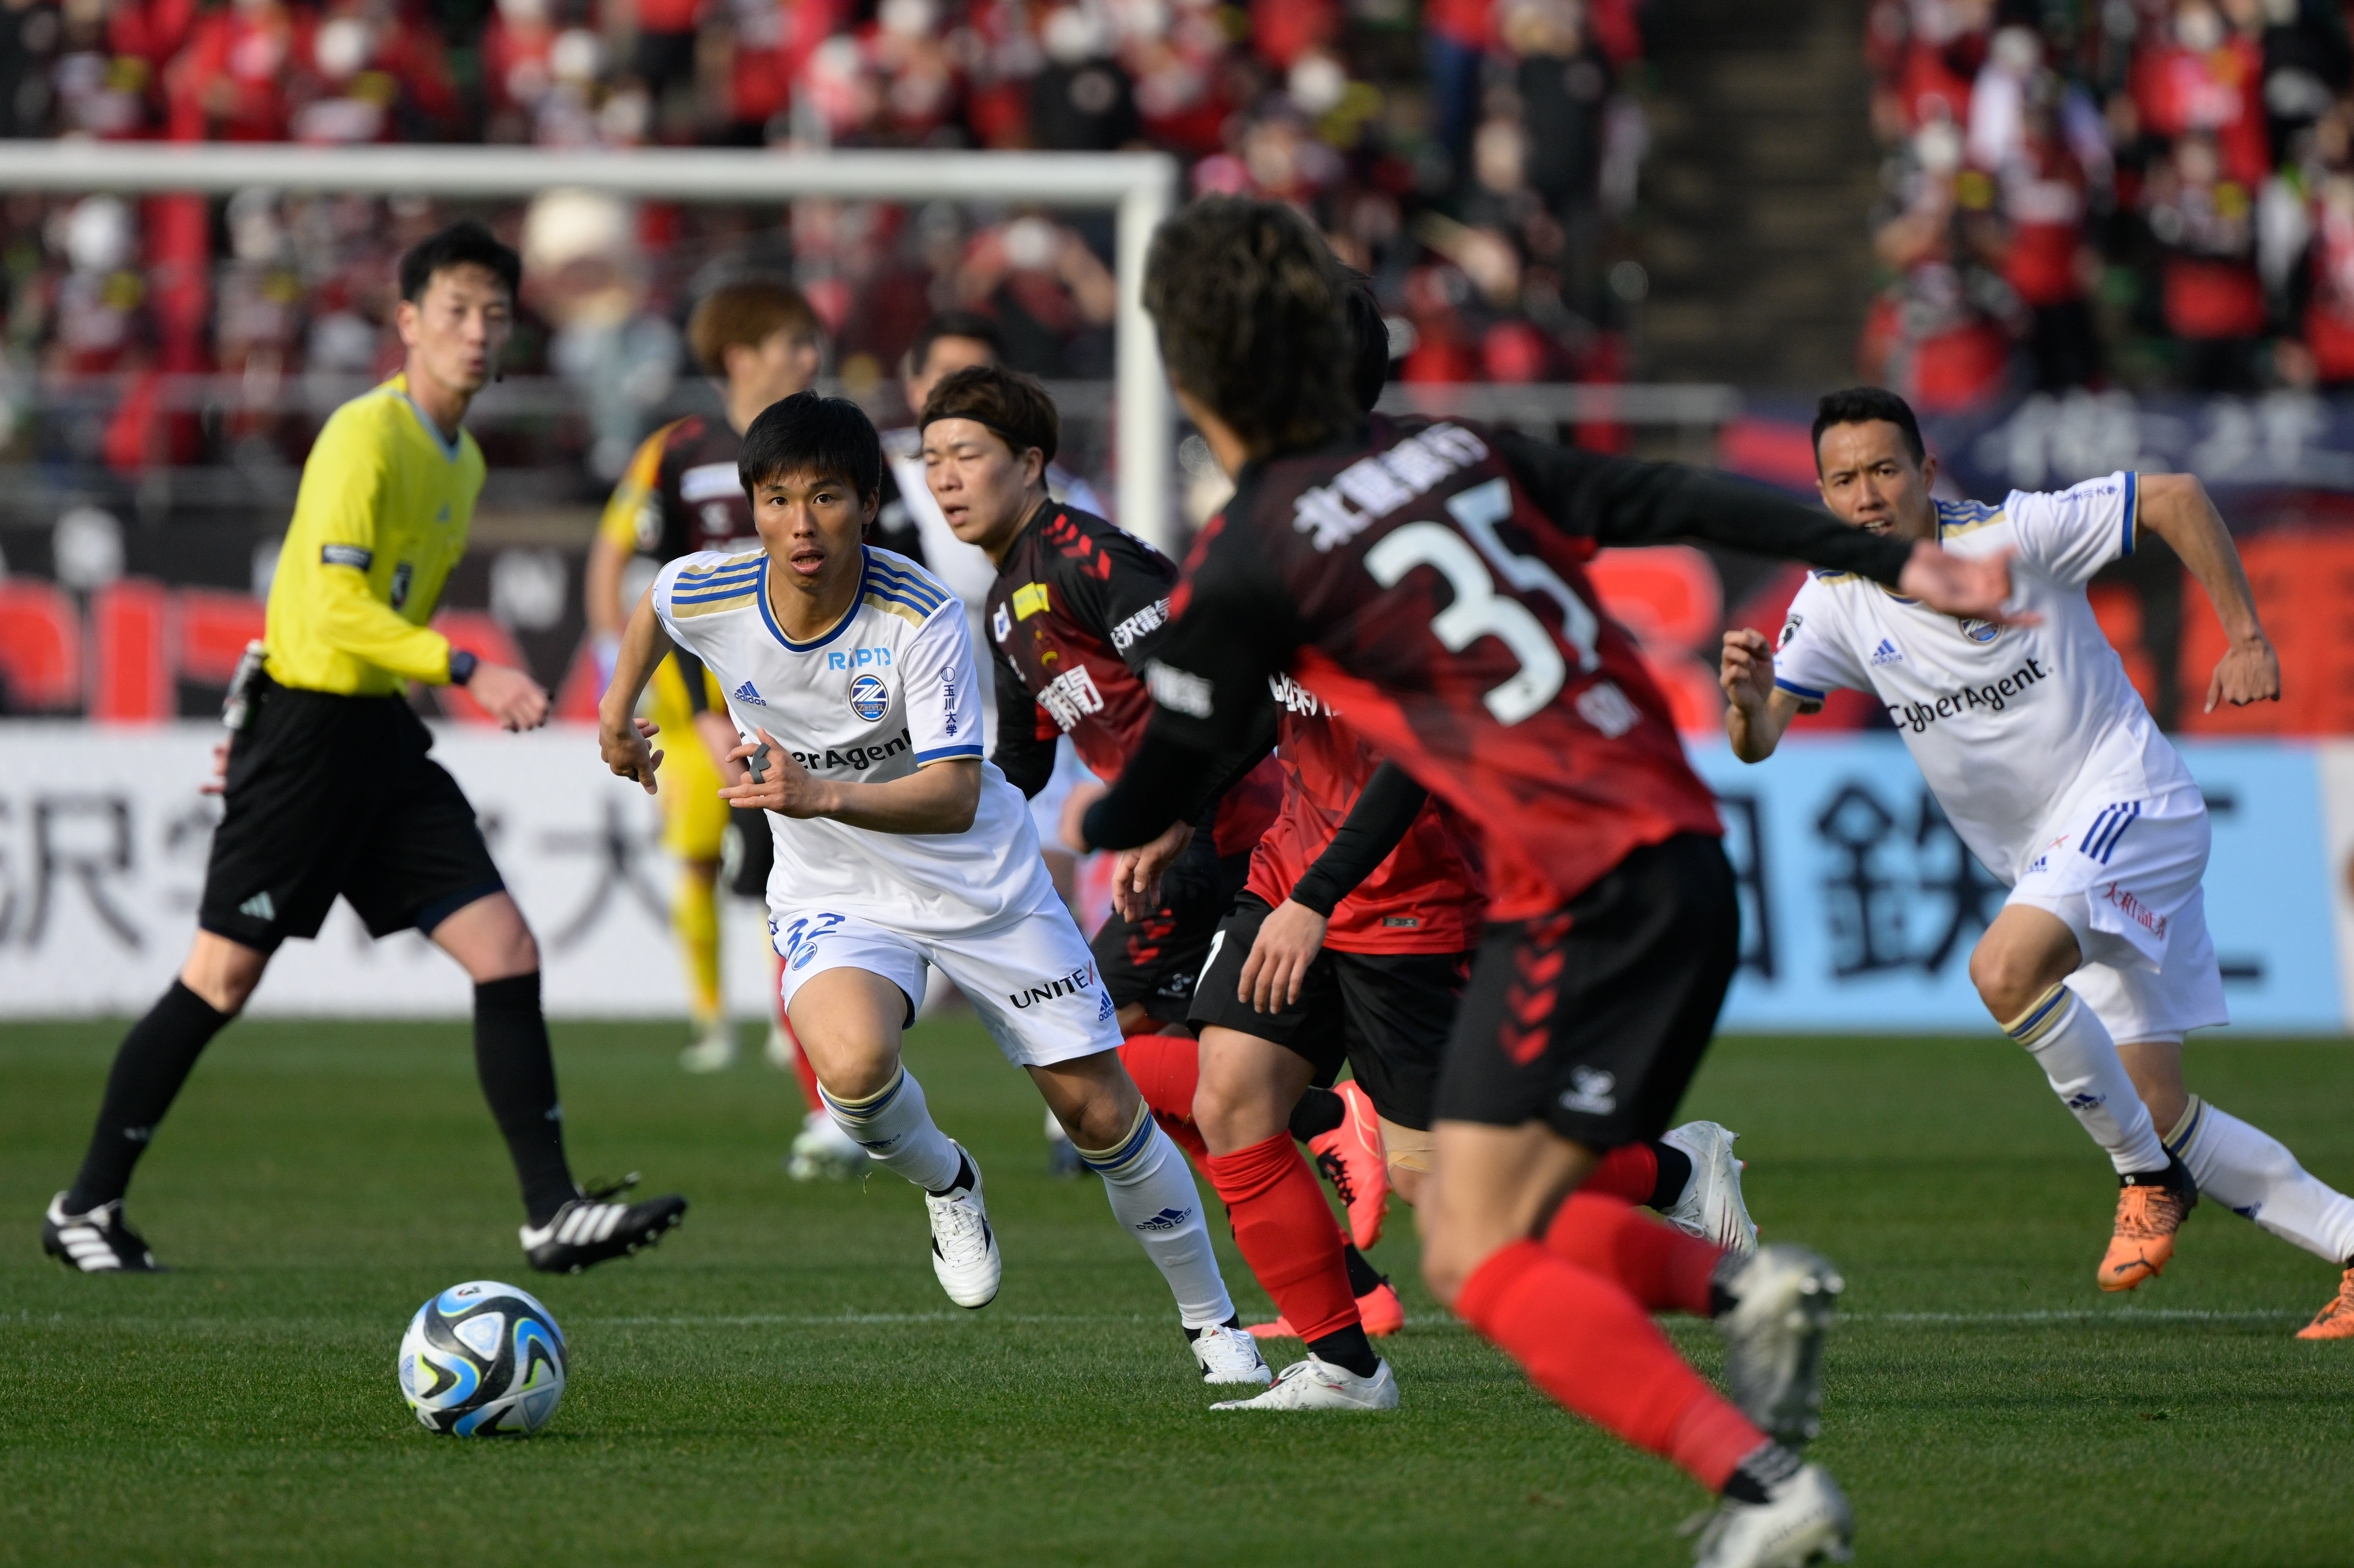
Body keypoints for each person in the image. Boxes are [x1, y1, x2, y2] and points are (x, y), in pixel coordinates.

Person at [1081, 197, 2017, 1558]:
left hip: (1584, 896)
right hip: (1645, 865)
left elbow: (1156, 777)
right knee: (1462, 1208)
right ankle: (1741, 1307)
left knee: (1475, 1244)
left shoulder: (1255, 549)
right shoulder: (1461, 456)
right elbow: (1666, 499)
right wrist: (1887, 554)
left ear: (1203, 380)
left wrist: (1118, 794)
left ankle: (1766, 1470)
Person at [40, 221, 687, 1278]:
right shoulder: (363, 434)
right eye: (455, 312)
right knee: (221, 976)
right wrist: (465, 668)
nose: (476, 333)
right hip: (306, 731)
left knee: (505, 948)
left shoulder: (462, 459)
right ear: (407, 322)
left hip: (373, 732)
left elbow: (363, 612)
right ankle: (85, 1204)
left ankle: (551, 1211)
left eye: (494, 316)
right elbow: (331, 606)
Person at [595, 390, 1271, 1389]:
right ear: (753, 508)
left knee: (1100, 1117)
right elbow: (654, 606)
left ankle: (1212, 1322)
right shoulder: (714, 588)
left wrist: (817, 791)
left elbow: (955, 794)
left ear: (869, 503)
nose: (800, 524)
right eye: (777, 500)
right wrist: (618, 716)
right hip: (837, 888)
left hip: (978, 884)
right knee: (852, 1068)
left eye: (826, 497)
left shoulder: (919, 614)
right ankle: (949, 1180)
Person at [1724, 387, 2354, 1334]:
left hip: (2129, 804)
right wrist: (1745, 702)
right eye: (1844, 479)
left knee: (2004, 971)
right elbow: (1759, 742)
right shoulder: (1830, 602)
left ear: (1927, 470)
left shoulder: (2011, 536)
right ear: (1821, 493)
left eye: (1885, 469)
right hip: (2056, 860)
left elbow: (2176, 496)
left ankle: (2144, 1181)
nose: (1867, 495)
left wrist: (2247, 636)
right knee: (2158, 1107)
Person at [580, 276, 865, 1179]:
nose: (808, 358)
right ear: (740, 356)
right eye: (791, 342)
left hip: (852, 714)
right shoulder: (684, 454)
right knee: (788, 901)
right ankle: (824, 1100)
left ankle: (859, 1072)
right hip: (743, 722)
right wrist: (700, 714)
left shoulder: (842, 444)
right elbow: (668, 593)